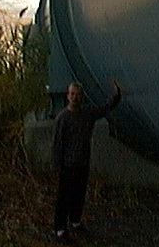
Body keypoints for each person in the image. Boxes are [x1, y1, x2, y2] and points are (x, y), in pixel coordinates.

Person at [51, 79, 122, 243]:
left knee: (79, 195)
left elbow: (105, 109)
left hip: (83, 163)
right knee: (64, 197)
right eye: (72, 94)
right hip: (68, 165)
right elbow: (57, 143)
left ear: (82, 97)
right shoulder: (63, 118)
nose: (75, 97)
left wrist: (116, 96)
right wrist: (57, 165)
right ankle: (60, 229)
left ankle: (75, 221)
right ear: (68, 96)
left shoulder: (87, 115)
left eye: (78, 95)